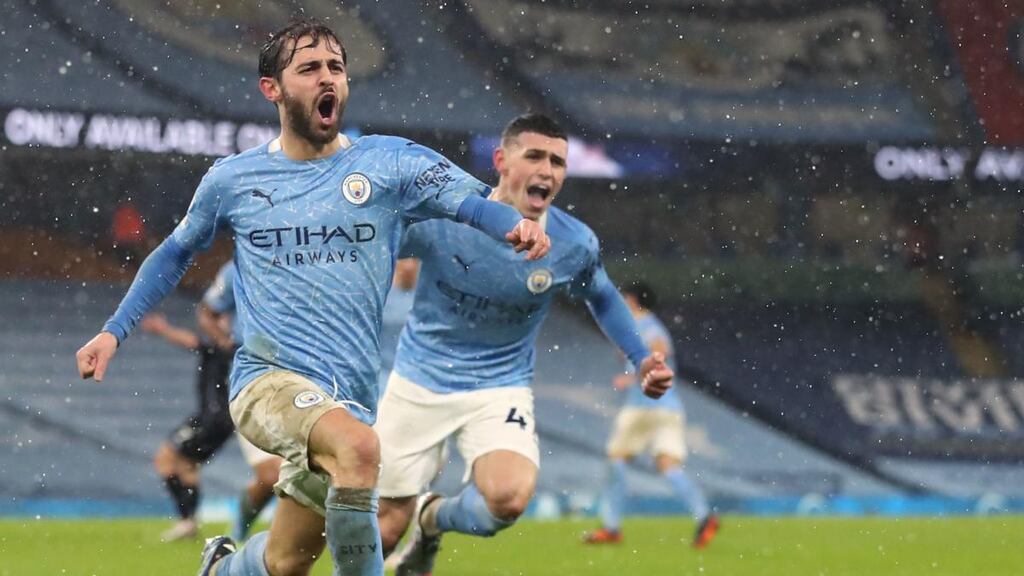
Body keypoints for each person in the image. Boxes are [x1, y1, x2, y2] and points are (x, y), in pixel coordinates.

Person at [74, 17, 550, 576]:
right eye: (309, 69)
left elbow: (467, 202)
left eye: (336, 67)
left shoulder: (388, 163)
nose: (328, 78)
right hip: (266, 383)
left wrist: (511, 224)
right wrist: (114, 330)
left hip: (348, 397)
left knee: (286, 561)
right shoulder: (234, 180)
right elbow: (174, 254)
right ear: (272, 89)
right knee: (361, 451)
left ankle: (221, 568)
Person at [374, 113, 674, 576]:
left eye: (557, 161)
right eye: (534, 156)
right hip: (419, 381)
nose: (547, 170)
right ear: (501, 161)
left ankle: (432, 518)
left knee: (508, 499)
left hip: (499, 387)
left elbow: (604, 297)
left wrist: (641, 359)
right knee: (385, 529)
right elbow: (372, 241)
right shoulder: (444, 217)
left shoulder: (571, 244)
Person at [139, 261, 283, 543]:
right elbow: (194, 338)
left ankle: (188, 521)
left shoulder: (227, 347)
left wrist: (163, 330)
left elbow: (193, 339)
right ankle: (190, 521)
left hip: (214, 416)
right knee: (189, 466)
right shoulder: (224, 346)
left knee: (166, 459)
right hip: (222, 417)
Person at [582, 282, 720, 548]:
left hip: (646, 406)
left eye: (624, 298)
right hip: (666, 408)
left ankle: (611, 526)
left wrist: (632, 378)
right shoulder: (641, 327)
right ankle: (704, 516)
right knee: (668, 466)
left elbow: (661, 357)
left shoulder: (650, 329)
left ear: (632, 300)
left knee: (617, 459)